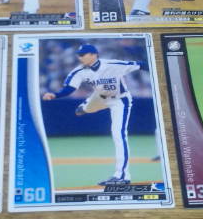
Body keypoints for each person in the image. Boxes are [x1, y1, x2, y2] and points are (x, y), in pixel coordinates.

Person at [42, 44, 145, 185]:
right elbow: (70, 88)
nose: (80, 57)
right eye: (79, 55)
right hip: (98, 98)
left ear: (93, 54)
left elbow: (141, 65)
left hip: (119, 100)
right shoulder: (80, 71)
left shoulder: (112, 64)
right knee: (85, 109)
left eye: (83, 55)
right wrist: (55, 95)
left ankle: (122, 176)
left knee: (118, 134)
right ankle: (85, 107)